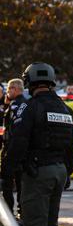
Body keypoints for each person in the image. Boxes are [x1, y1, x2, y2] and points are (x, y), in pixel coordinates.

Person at [6, 63, 73, 226]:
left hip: (38, 173)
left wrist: (5, 174)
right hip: (58, 171)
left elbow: (17, 144)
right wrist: (66, 172)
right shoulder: (65, 109)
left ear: (29, 82)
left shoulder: (29, 107)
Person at [1, 78, 27, 215]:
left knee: (7, 185)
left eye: (9, 89)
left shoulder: (16, 105)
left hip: (11, 150)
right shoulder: (25, 104)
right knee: (21, 184)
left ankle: (9, 214)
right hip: (21, 152)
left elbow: (11, 129)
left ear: (15, 89)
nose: (7, 91)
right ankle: (21, 212)